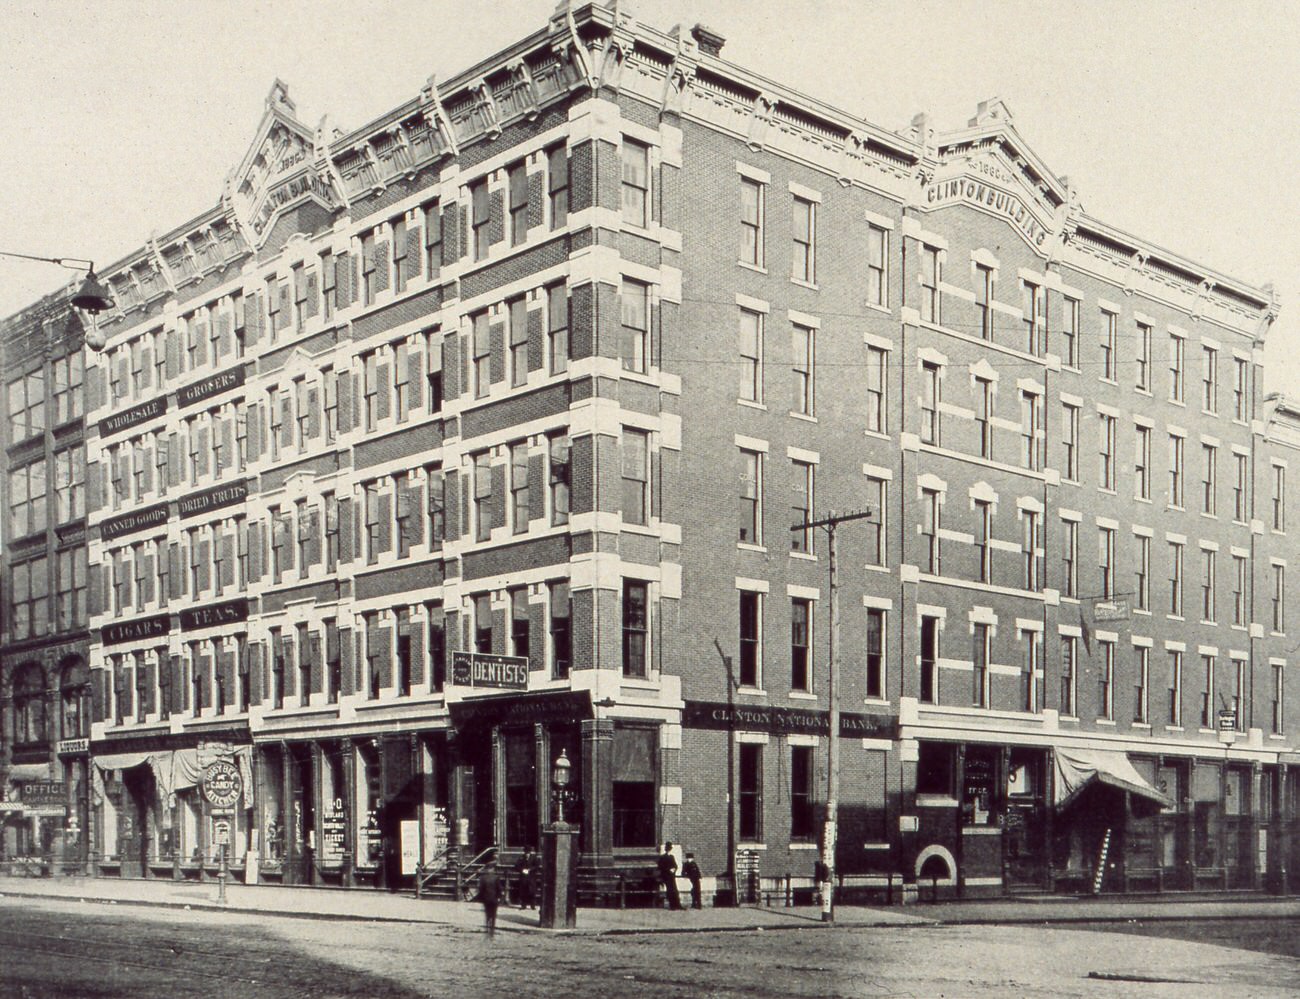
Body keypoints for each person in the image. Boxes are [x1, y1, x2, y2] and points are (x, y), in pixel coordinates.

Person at [478, 854, 501, 937]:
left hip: (486, 899)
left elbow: (481, 889)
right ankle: (492, 928)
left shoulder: (483, 878)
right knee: (493, 914)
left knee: (487, 913)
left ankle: (488, 926)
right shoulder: (496, 877)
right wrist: (499, 897)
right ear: (493, 869)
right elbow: (499, 889)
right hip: (494, 899)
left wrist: (481, 898)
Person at [658, 841, 683, 911]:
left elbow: (675, 865)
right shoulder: (662, 857)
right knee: (670, 890)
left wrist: (674, 869)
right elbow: (661, 867)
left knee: (675, 890)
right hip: (666, 876)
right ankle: (672, 905)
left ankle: (678, 904)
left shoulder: (672, 857)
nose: (669, 850)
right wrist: (668, 870)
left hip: (672, 876)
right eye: (668, 849)